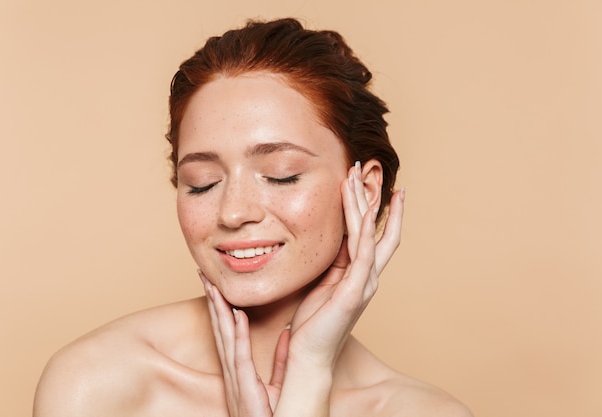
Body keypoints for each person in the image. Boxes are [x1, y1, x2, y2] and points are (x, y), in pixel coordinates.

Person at [33, 18, 472, 417]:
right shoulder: (96, 385)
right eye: (202, 182)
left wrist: (307, 376)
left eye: (282, 175)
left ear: (366, 190)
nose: (234, 212)